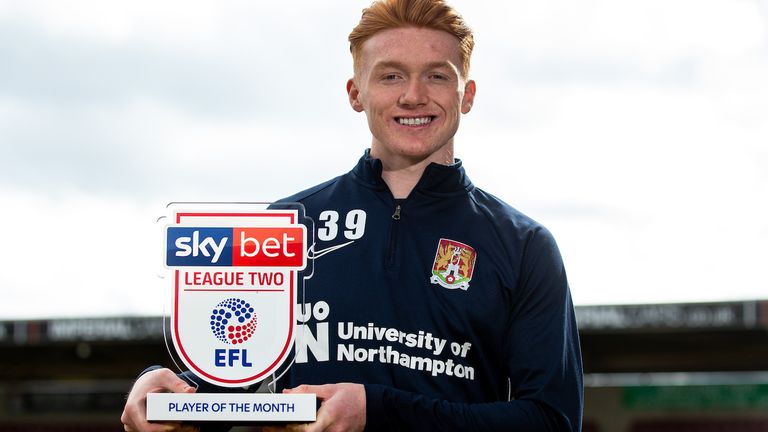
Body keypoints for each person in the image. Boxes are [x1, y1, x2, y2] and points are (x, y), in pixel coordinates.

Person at [121, 0, 583, 430]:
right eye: (391, 76)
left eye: (437, 77)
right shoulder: (282, 225)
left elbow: (552, 419)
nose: (414, 96)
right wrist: (164, 388)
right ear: (355, 93)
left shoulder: (524, 246)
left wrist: (379, 411)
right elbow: (234, 366)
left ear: (468, 95)